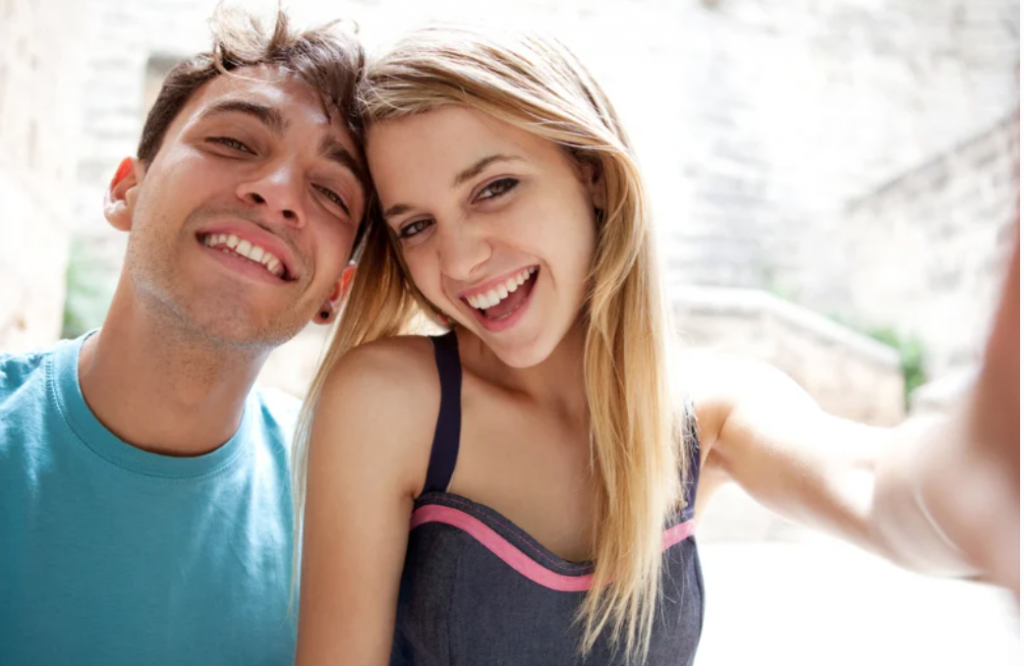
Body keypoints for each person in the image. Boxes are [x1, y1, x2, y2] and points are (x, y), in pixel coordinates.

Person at [293, 26, 1020, 666]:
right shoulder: (390, 402)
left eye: (494, 188)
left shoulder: (715, 413)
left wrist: (984, 472)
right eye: (416, 225)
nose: (459, 261)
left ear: (594, 175)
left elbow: (877, 489)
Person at [0, 8, 368, 665]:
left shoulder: (350, 525)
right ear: (126, 190)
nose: (278, 194)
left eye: (330, 193)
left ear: (335, 293)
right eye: (234, 142)